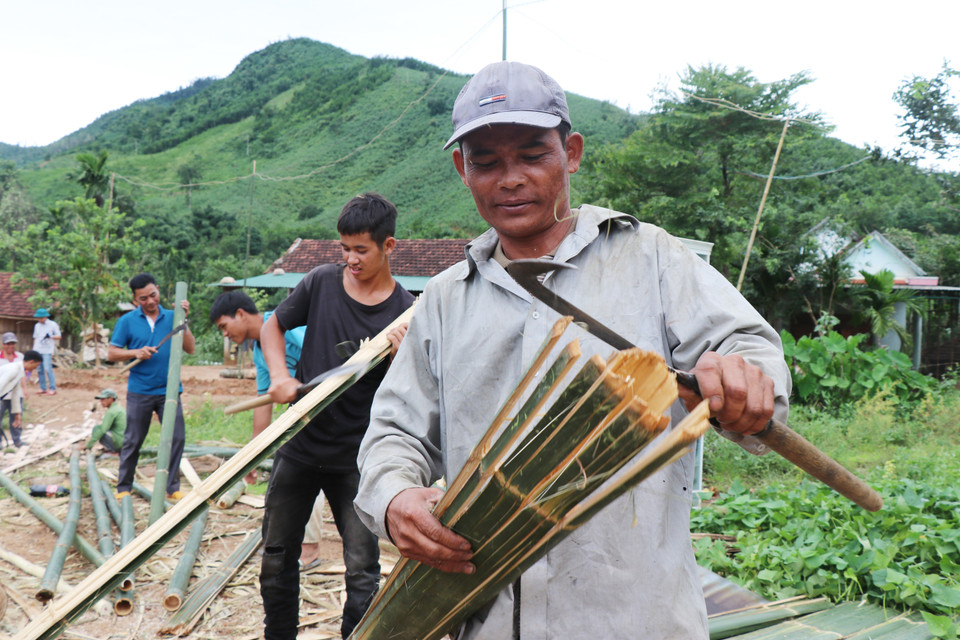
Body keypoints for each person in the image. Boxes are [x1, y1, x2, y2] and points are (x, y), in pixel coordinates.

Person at [354, 61, 791, 639]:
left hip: (632, 619)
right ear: (463, 169)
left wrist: (744, 377)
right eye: (486, 162)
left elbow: (746, 346)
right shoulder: (444, 299)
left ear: (572, 153)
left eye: (533, 155)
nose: (510, 178)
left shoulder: (649, 258)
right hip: (485, 619)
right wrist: (396, 497)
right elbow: (394, 431)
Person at [259, 193, 415, 640]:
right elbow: (273, 324)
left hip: (359, 459)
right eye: (344, 248)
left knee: (362, 572)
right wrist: (279, 375)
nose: (350, 259)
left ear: (389, 247)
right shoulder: (322, 282)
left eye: (361, 250)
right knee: (275, 559)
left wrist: (406, 358)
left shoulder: (405, 312)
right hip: (301, 444)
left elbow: (416, 392)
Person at [209, 289, 324, 569]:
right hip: (307, 410)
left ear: (240, 314)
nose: (225, 334)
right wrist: (253, 454)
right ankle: (288, 542)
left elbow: (323, 350)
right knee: (289, 474)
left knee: (308, 472)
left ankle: (308, 550)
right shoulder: (260, 350)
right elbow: (265, 405)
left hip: (331, 400)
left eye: (224, 326)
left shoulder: (284, 323)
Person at [107, 273, 195, 501]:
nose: (150, 301)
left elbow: (190, 348)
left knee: (176, 438)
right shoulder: (126, 321)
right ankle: (124, 486)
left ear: (158, 289)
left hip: (170, 391)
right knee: (133, 440)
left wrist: (183, 320)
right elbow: (112, 353)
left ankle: (172, 486)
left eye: (153, 295)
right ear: (135, 300)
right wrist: (135, 352)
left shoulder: (172, 316)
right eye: (143, 298)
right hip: (140, 392)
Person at [0, 350, 43, 448]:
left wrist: (17, 414)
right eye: (36, 365)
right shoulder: (14, 369)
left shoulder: (19, 371)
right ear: (31, 362)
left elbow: (15, 393)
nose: (35, 368)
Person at [85, 389, 126, 454]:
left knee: (97, 429)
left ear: (111, 399)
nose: (101, 402)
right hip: (126, 441)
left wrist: (88, 445)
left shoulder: (111, 412)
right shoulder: (119, 409)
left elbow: (102, 429)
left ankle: (114, 452)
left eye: (103, 399)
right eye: (101, 400)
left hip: (121, 442)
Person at [31, 308, 61, 395]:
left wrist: (50, 337)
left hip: (47, 350)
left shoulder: (53, 325)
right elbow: (35, 338)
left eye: (41, 318)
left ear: (45, 317)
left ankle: (52, 388)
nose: (39, 320)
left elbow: (59, 336)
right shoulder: (37, 326)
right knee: (39, 369)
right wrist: (34, 350)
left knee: (48, 368)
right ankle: (42, 388)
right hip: (38, 349)